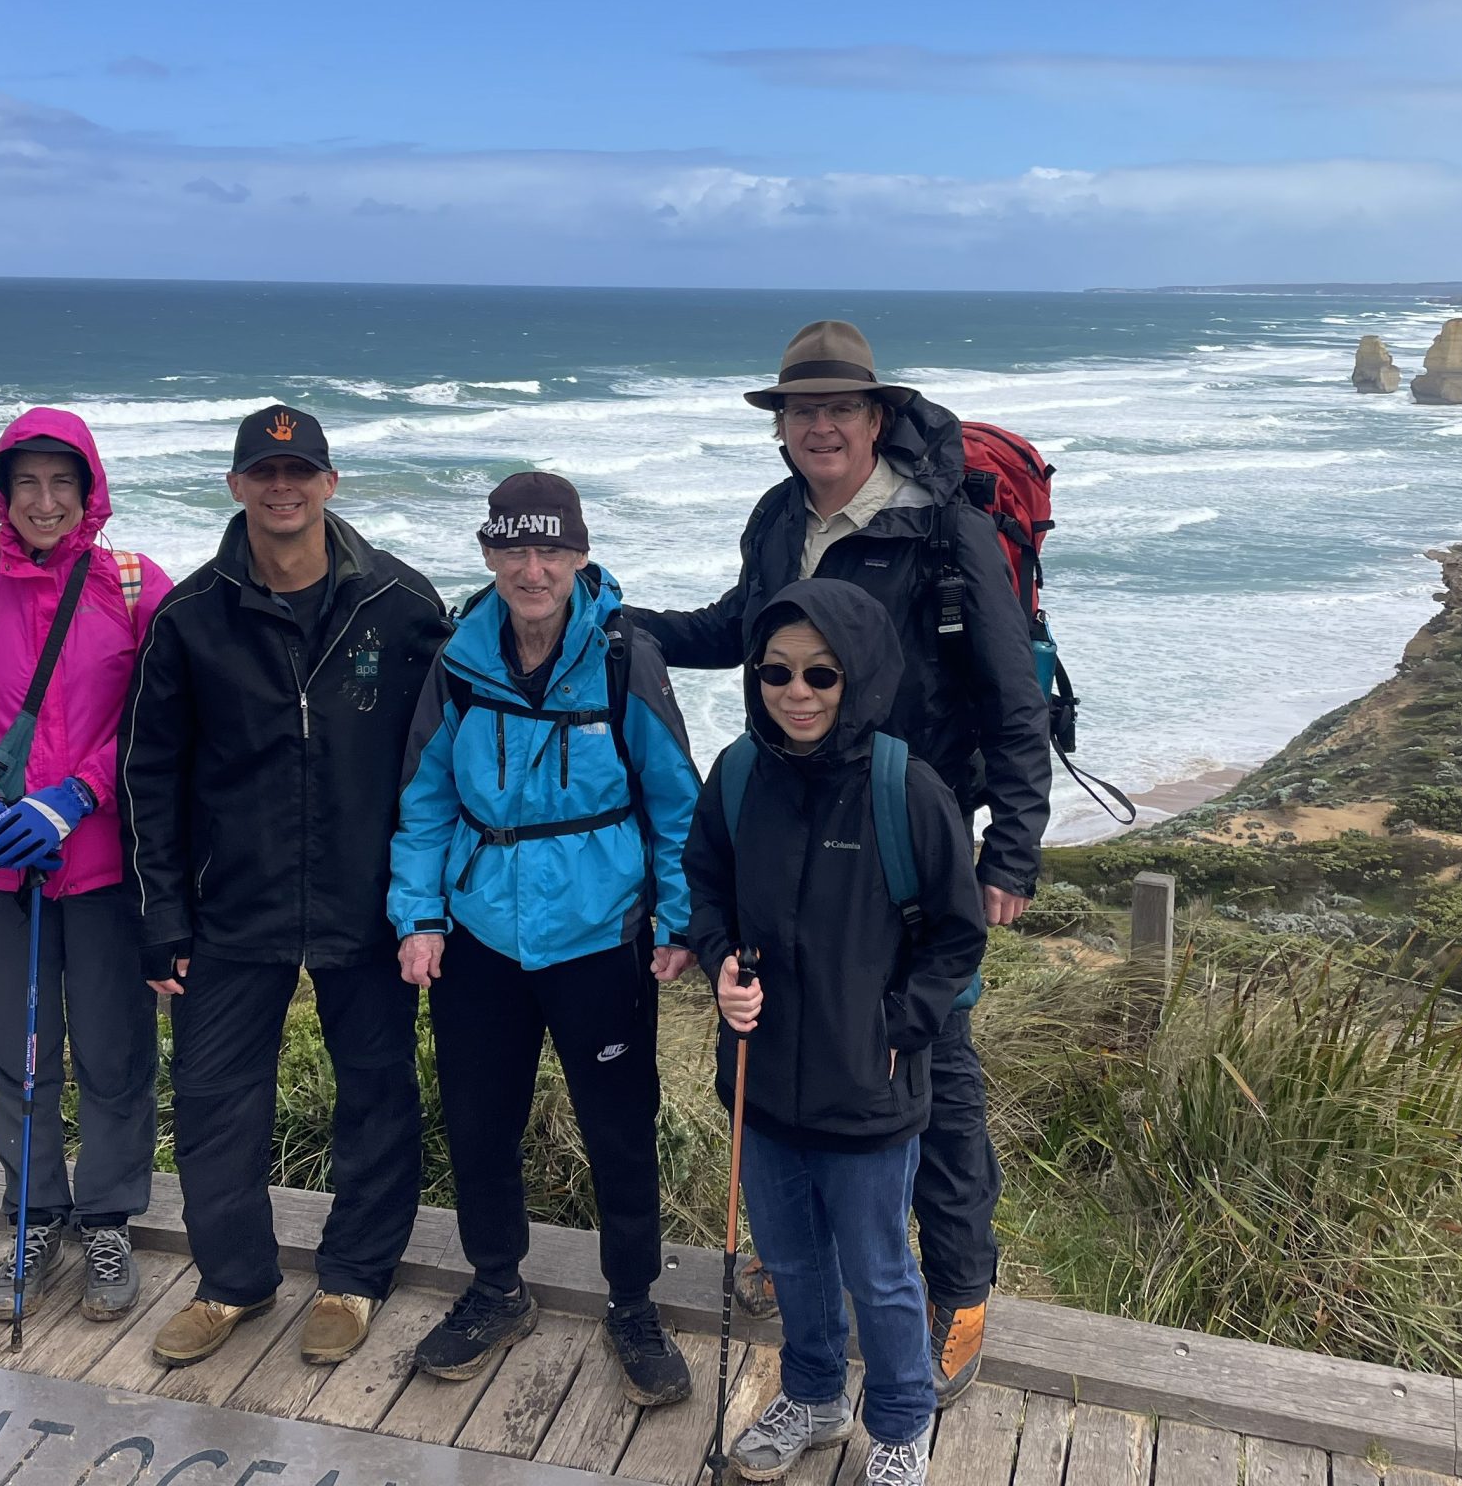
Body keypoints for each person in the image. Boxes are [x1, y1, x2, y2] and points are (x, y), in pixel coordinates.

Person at [630, 319, 1049, 1398]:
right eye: (799, 410)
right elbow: (744, 629)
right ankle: (799, 1251)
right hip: (793, 826)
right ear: (781, 427)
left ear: (875, 418)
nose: (818, 426)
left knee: (930, 1062)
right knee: (795, 1035)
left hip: (908, 838)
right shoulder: (779, 518)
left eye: (839, 408)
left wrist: (1010, 852)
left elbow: (1011, 695)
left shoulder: (942, 530)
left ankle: (959, 1287)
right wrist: (620, 623)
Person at [120, 404, 452, 1372]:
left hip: (368, 900)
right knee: (213, 1099)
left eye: (299, 471)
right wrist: (162, 913)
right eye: (263, 474)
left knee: (376, 1093)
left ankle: (353, 1277)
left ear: (329, 483)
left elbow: (443, 762)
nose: (282, 488)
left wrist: (429, 901)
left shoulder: (401, 603)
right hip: (233, 905)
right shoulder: (190, 617)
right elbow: (150, 777)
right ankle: (232, 1281)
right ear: (235, 486)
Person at [389, 472, 704, 1403]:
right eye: (516, 550)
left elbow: (675, 800)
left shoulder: (624, 657)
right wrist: (419, 917)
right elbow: (425, 800)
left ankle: (633, 1303)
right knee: (479, 1119)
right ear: (489, 553)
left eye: (552, 550)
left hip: (600, 935)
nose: (534, 570)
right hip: (480, 933)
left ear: (580, 555)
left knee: (619, 1125)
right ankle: (496, 1287)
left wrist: (679, 918)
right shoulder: (459, 659)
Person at [685, 579, 985, 1486]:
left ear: (859, 675)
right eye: (775, 672)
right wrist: (719, 965)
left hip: (868, 1087)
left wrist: (899, 1025)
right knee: (790, 1258)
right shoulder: (739, 774)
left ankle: (900, 1423)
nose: (797, 692)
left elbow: (956, 936)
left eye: (822, 673)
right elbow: (705, 886)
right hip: (761, 1077)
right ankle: (814, 1395)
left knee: (880, 1272)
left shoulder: (907, 789)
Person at [0, 408, 172, 1324]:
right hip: (0, 876)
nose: (45, 501)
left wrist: (74, 796)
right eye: (27, 483)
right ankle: (33, 1215)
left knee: (113, 1054)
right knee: (19, 1058)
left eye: (63, 482)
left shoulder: (134, 586)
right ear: (3, 493)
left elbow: (159, 718)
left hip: (105, 868)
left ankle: (107, 1219)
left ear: (90, 490)